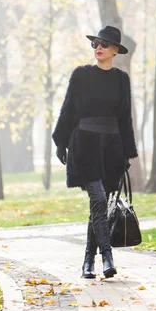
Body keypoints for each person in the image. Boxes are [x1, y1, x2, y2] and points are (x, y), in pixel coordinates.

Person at [52, 25, 138, 279]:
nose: (98, 48)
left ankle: (88, 261)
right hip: (85, 146)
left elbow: (125, 118)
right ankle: (107, 257)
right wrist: (60, 141)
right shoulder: (81, 75)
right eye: (96, 43)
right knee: (99, 200)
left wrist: (126, 153)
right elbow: (68, 109)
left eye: (104, 44)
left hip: (111, 148)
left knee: (98, 207)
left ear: (115, 51)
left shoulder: (122, 79)